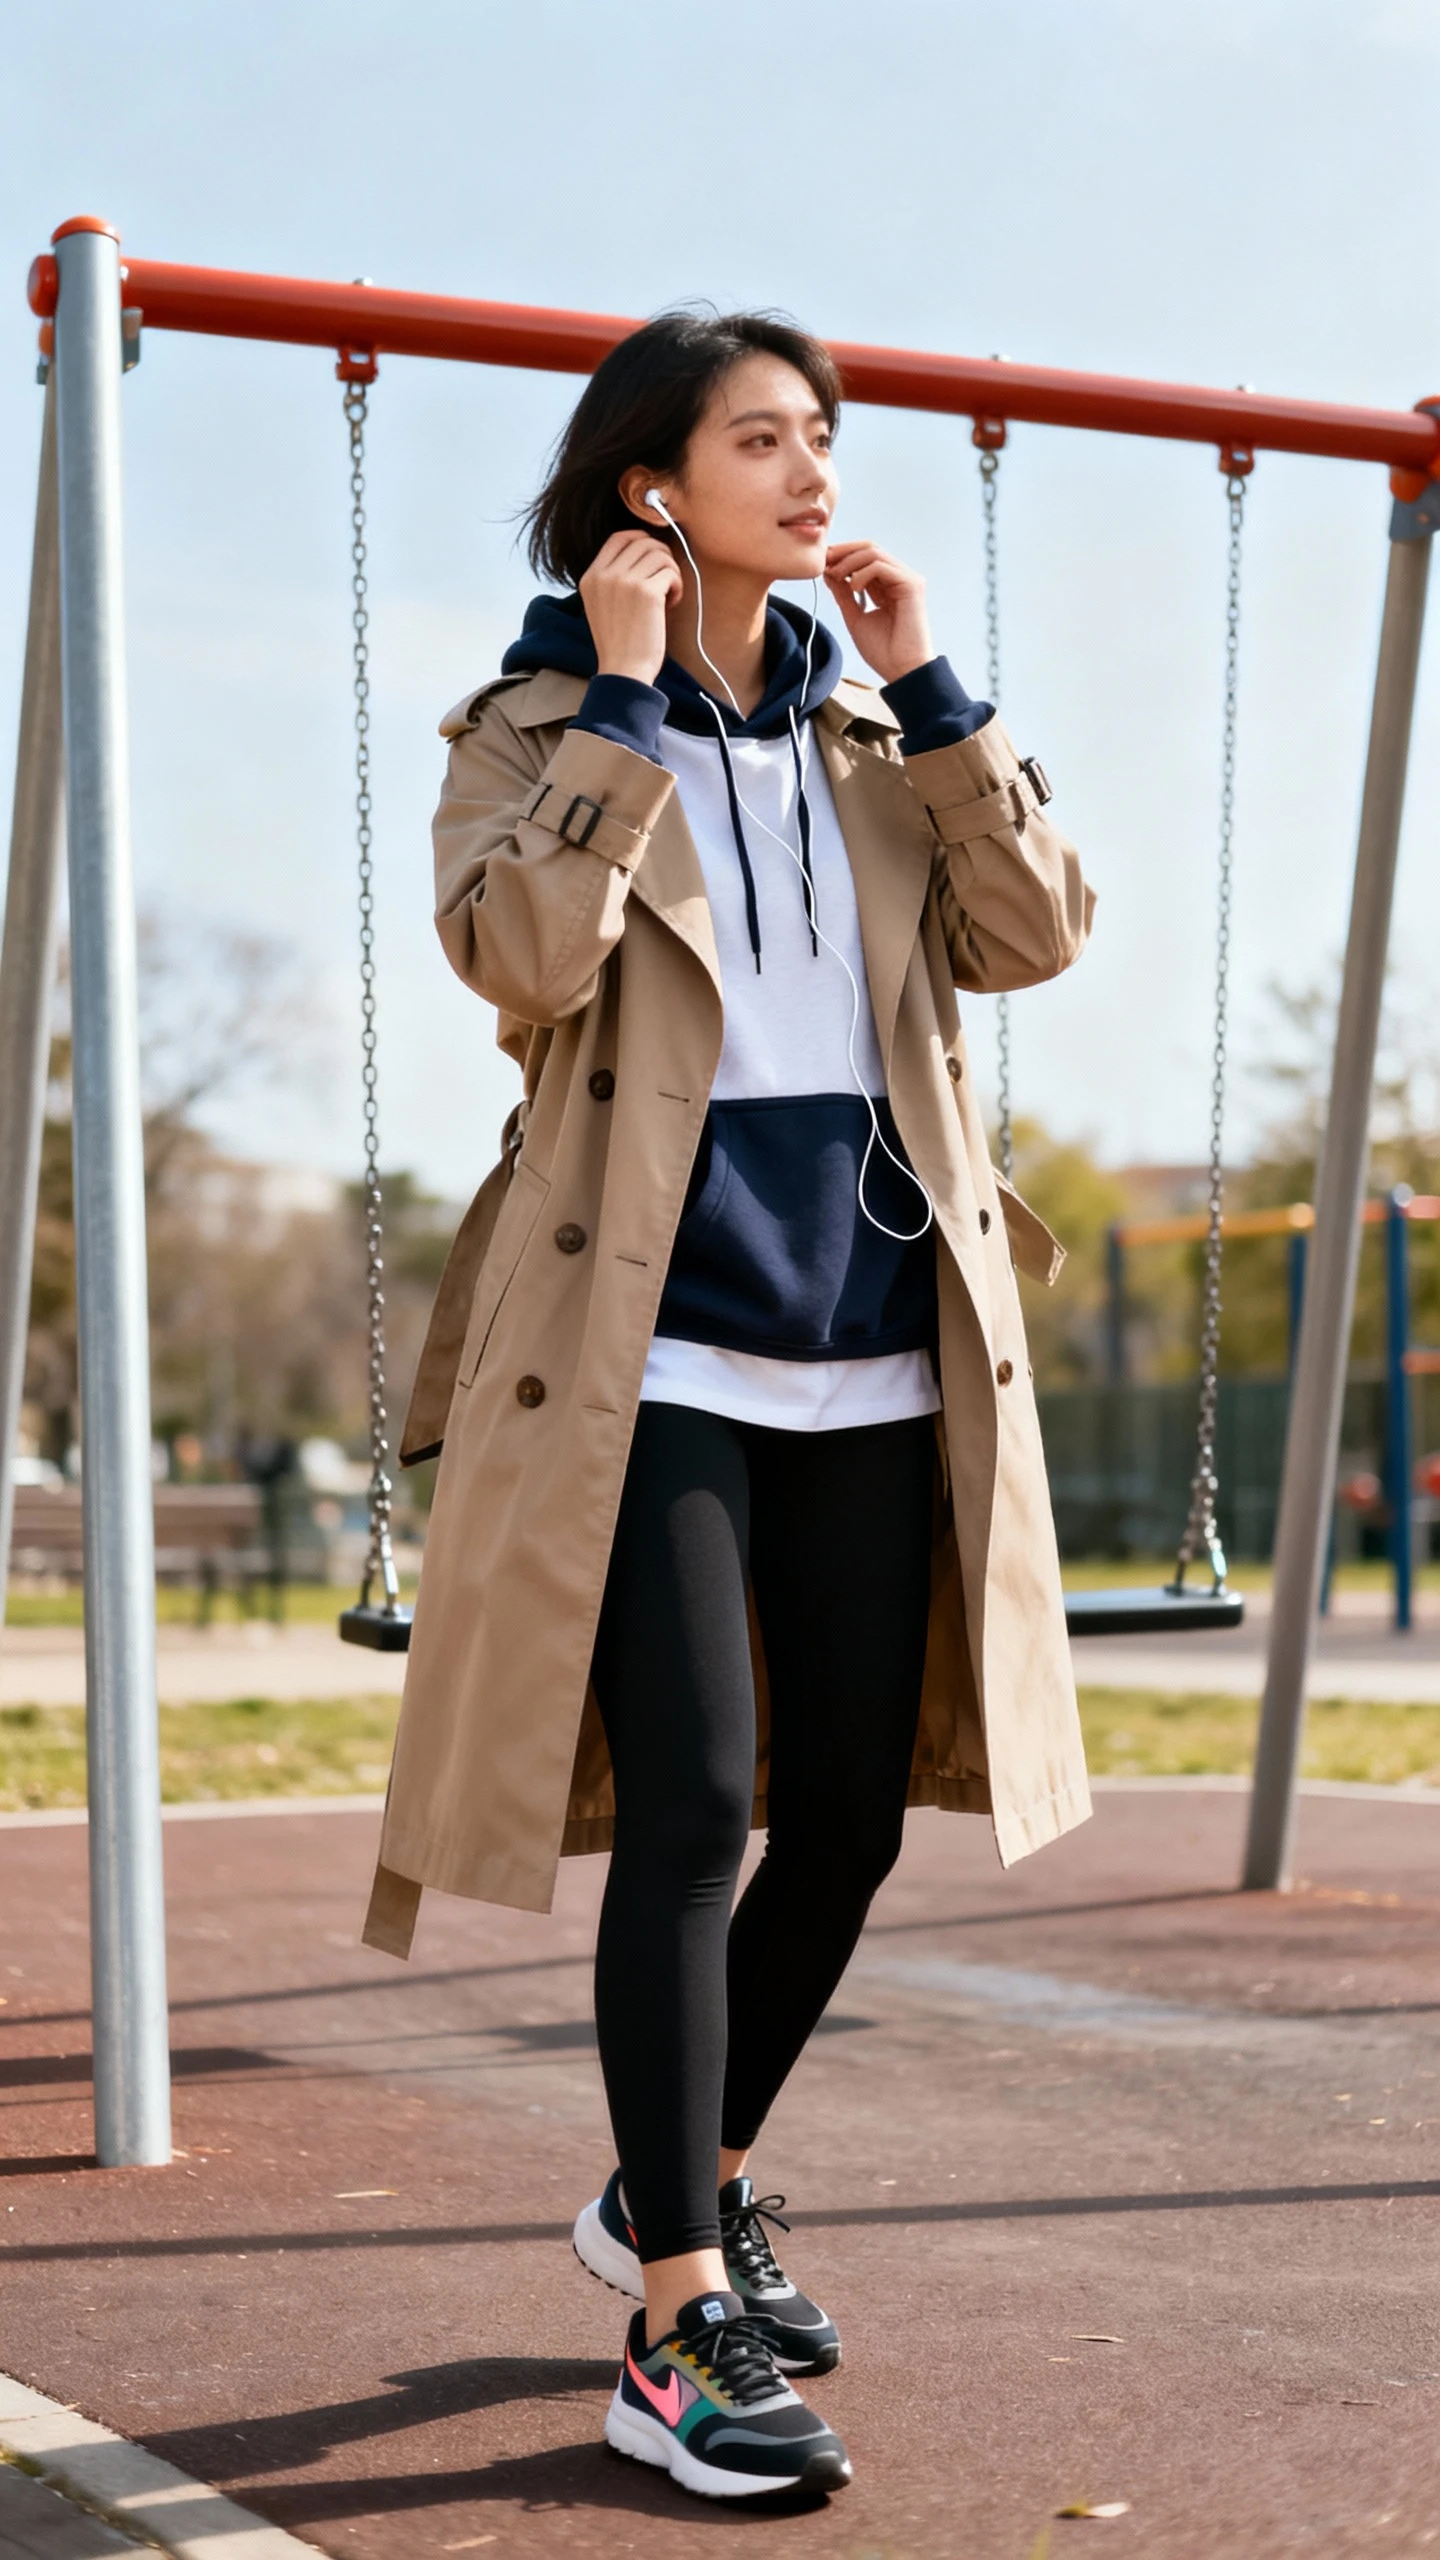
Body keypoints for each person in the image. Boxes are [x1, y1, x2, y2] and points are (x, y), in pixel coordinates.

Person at [363, 309, 1096, 2503]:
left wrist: (943, 688)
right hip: (648, 1353)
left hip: (879, 1349)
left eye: (824, 435)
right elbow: (518, 958)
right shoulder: (528, 724)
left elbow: (1035, 931)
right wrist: (614, 697)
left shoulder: (882, 739)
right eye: (759, 437)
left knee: (854, 1811)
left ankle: (687, 2173)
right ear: (652, 487)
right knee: (693, 1809)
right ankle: (674, 2313)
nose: (812, 468)